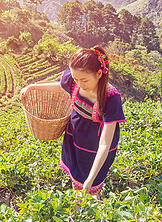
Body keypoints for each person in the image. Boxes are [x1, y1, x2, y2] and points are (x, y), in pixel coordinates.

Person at [21, 45, 125, 196]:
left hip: (94, 149)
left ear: (98, 74)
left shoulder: (110, 99)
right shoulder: (74, 81)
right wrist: (33, 87)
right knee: (76, 179)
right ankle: (79, 204)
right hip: (74, 138)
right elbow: (61, 87)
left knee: (89, 186)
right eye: (76, 78)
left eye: (84, 80)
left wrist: (90, 180)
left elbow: (104, 143)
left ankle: (89, 210)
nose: (79, 84)